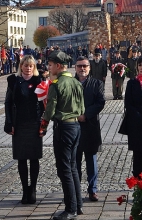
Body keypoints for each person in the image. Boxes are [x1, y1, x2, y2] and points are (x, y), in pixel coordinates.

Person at [39, 50, 84, 220]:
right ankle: (78, 205)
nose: (48, 69)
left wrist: (42, 127)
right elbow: (82, 108)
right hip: (75, 126)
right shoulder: (76, 83)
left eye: (50, 66)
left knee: (64, 169)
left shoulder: (56, 85)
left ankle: (70, 209)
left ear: (58, 66)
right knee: (72, 167)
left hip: (63, 128)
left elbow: (49, 110)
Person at [4, 55, 44, 204]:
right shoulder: (13, 81)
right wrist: (9, 122)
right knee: (21, 158)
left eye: (31, 66)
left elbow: (43, 105)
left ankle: (32, 188)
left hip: (34, 124)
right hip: (19, 124)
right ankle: (24, 189)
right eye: (25, 65)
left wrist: (43, 125)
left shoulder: (38, 81)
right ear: (21, 67)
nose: (28, 68)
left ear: (34, 67)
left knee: (34, 158)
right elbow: (8, 103)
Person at [74, 56, 105, 202]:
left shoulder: (97, 83)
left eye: (85, 66)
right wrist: (75, 115)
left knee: (91, 160)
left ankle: (92, 189)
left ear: (89, 67)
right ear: (75, 67)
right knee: (75, 160)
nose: (82, 69)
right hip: (73, 127)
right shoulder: (70, 83)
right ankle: (75, 189)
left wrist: (86, 115)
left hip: (90, 126)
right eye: (79, 66)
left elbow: (100, 102)